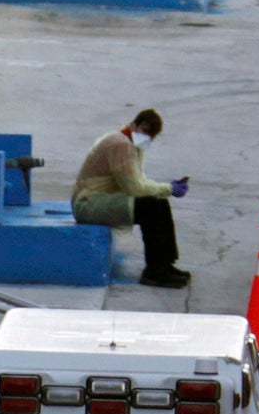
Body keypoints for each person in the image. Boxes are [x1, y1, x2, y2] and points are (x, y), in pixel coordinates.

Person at [71, 109, 191, 289]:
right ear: (134, 124)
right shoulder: (120, 144)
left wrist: (165, 190)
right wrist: (168, 188)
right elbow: (134, 187)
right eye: (144, 130)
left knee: (158, 202)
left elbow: (139, 180)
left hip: (100, 199)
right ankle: (154, 271)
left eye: (150, 135)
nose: (145, 136)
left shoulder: (130, 143)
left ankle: (165, 265)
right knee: (151, 208)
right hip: (88, 204)